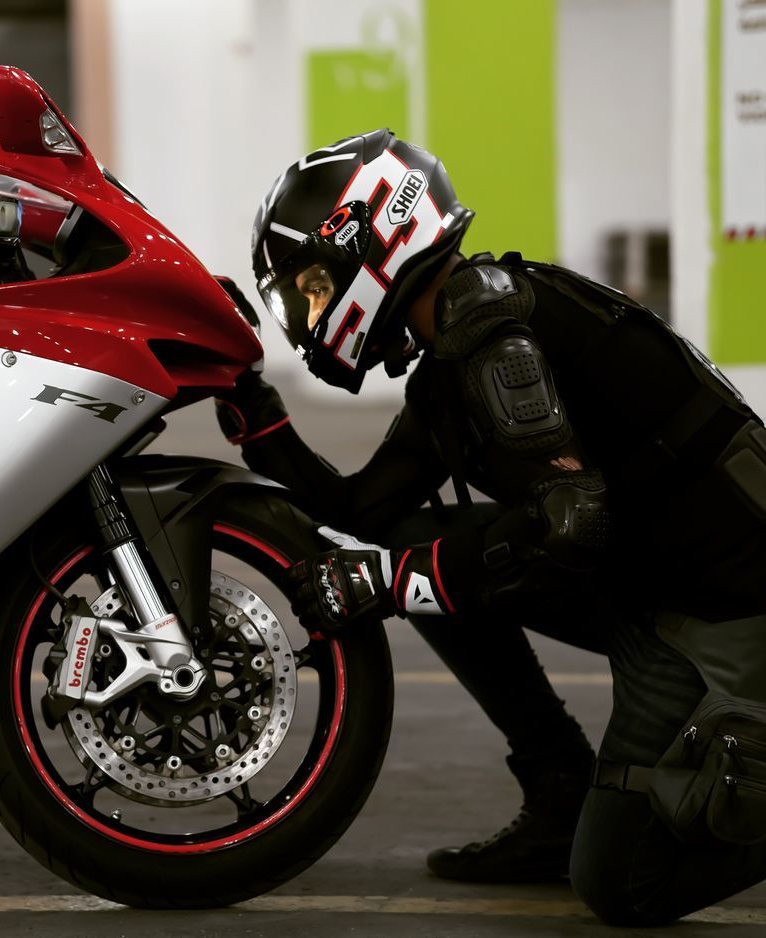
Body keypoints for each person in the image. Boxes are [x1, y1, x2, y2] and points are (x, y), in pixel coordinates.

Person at [215, 128, 766, 925]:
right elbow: (366, 514)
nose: (309, 310)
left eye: (308, 286)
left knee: (621, 886)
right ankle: (558, 792)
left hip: (726, 609)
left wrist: (393, 580)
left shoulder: (492, 328)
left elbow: (572, 523)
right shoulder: (451, 352)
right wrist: (258, 418)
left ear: (364, 245)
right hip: (651, 584)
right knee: (407, 543)